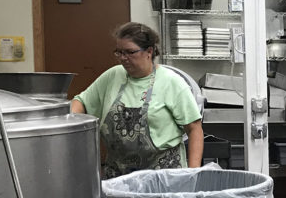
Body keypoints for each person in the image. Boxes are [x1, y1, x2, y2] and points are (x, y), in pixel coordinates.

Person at [71, 22, 203, 178]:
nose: (123, 58)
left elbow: (194, 130)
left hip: (164, 177)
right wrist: (69, 122)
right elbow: (81, 101)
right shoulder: (112, 76)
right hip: (119, 177)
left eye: (130, 52)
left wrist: (193, 174)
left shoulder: (172, 82)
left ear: (149, 51)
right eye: (119, 52)